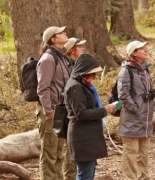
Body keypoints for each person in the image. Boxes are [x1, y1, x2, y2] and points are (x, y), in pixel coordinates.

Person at [64, 53, 116, 180]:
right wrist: (104, 110)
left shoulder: (83, 84)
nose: (95, 76)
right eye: (92, 73)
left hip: (88, 137)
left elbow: (89, 105)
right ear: (83, 72)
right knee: (84, 175)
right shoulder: (75, 87)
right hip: (82, 138)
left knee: (88, 173)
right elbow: (80, 114)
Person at [117, 40, 155, 180]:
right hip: (131, 120)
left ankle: (144, 177)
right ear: (133, 53)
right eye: (142, 48)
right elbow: (123, 95)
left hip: (145, 120)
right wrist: (136, 109)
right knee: (131, 153)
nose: (146, 50)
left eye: (145, 48)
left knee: (144, 153)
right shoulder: (126, 70)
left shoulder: (144, 69)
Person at [35, 26, 69, 180]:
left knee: (58, 151)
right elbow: (42, 88)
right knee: (49, 152)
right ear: (53, 39)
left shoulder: (62, 56)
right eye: (61, 33)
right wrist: (48, 112)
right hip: (50, 111)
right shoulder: (48, 59)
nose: (65, 33)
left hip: (61, 109)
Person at [62, 37, 86, 180]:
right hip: (69, 111)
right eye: (79, 47)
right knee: (68, 146)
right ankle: (70, 177)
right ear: (72, 50)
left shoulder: (77, 66)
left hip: (79, 110)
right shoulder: (67, 67)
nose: (82, 49)